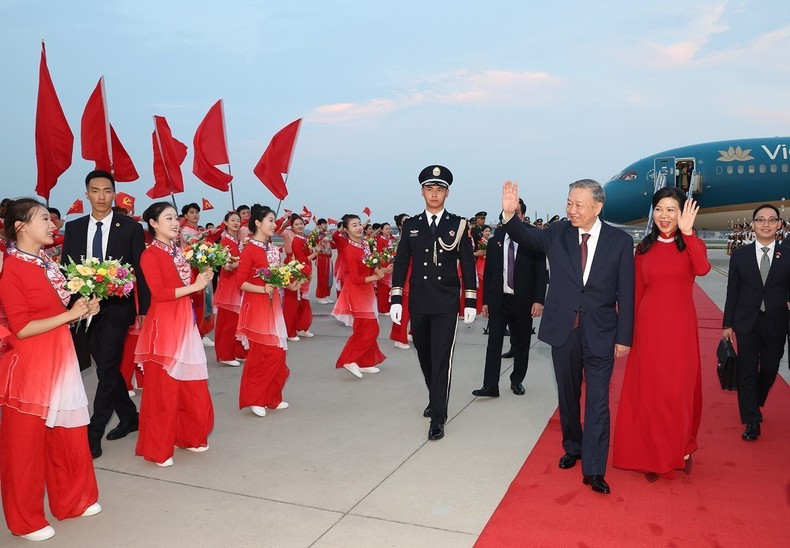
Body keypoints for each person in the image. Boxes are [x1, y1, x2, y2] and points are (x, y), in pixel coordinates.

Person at [500, 179, 634, 495]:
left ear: (597, 207)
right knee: (568, 395)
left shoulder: (619, 241)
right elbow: (525, 236)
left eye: (578, 205)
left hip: (602, 331)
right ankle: (573, 446)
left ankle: (595, 468)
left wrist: (624, 336)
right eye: (568, 203)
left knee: (598, 401)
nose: (570, 210)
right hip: (564, 330)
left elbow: (626, 292)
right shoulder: (558, 233)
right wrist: (509, 215)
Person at [0, 199, 102, 542]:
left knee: (67, 433)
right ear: (21, 227)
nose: (51, 224)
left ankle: (72, 500)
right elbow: (22, 327)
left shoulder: (47, 262)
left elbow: (60, 307)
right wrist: (70, 315)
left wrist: (83, 307)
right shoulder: (13, 268)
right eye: (44, 218)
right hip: (29, 365)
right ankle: (24, 519)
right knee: (24, 446)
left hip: (60, 356)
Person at [613, 187, 710, 480]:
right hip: (648, 331)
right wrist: (626, 336)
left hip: (679, 330)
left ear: (681, 213)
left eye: (671, 210)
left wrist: (689, 233)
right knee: (650, 394)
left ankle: (678, 449)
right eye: (659, 209)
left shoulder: (693, 245)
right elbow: (635, 295)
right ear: (652, 213)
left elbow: (703, 269)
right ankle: (652, 455)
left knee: (676, 393)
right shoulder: (643, 250)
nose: (664, 216)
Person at [62, 170, 151, 459]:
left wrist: (144, 310)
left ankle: (94, 431)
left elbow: (141, 270)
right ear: (86, 193)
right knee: (107, 370)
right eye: (95, 190)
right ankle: (129, 416)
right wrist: (68, 311)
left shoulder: (130, 228)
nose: (101, 196)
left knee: (109, 368)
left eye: (107, 191)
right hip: (84, 310)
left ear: (114, 194)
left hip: (116, 309)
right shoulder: (74, 229)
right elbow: (67, 270)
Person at [391, 165, 478, 441]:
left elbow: (467, 263)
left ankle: (438, 416)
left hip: (446, 302)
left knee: (442, 360)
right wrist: (395, 298)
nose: (434, 194)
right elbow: (402, 261)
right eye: (430, 189)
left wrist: (471, 301)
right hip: (419, 300)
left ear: (447, 193)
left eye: (439, 189)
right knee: (425, 354)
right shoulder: (412, 225)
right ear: (422, 192)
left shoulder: (458, 224)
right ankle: (434, 395)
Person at [134, 202, 215, 467]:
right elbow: (159, 293)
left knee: (193, 384)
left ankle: (190, 436)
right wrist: (196, 286)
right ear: (154, 223)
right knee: (163, 391)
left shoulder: (179, 252)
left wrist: (202, 278)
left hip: (185, 324)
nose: (175, 222)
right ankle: (158, 448)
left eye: (175, 218)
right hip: (165, 326)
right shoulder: (150, 255)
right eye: (168, 218)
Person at [723, 204, 790, 441]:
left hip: (776, 320)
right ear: (753, 225)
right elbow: (733, 290)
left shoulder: (787, 254)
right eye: (760, 220)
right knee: (747, 371)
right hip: (746, 321)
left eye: (772, 220)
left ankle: (756, 401)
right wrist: (727, 324)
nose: (766, 224)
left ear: (779, 225)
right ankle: (751, 420)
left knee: (771, 368)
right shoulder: (740, 255)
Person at [473, 201, 547, 398]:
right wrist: (486, 301)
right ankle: (490, 385)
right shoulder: (495, 240)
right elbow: (490, 273)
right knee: (494, 343)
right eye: (509, 214)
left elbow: (541, 273)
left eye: (517, 213)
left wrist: (539, 300)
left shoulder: (533, 239)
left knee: (522, 343)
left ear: (522, 216)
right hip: (499, 301)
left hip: (524, 302)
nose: (513, 217)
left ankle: (517, 380)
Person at [236, 204, 291, 417]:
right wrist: (263, 288)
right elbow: (240, 282)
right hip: (257, 306)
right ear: (258, 223)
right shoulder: (250, 249)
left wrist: (288, 282)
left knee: (278, 353)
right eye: (270, 220)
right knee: (262, 354)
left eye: (274, 220)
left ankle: (272, 398)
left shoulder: (272, 249)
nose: (274, 224)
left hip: (273, 305)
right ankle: (254, 398)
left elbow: (276, 277)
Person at [332, 214, 389, 378]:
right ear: (347, 230)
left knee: (364, 327)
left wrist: (382, 270)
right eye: (353, 225)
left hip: (367, 290)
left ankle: (364, 362)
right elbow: (355, 278)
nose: (358, 228)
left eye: (359, 224)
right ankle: (349, 359)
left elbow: (370, 266)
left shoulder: (365, 244)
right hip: (357, 291)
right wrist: (375, 278)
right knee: (370, 328)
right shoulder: (349, 250)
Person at [213, 211, 248, 367]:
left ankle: (238, 351)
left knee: (238, 321)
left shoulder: (238, 240)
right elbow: (226, 266)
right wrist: (245, 261)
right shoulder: (225, 241)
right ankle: (225, 354)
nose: (236, 222)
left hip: (239, 284)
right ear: (225, 223)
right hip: (229, 286)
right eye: (232, 220)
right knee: (228, 322)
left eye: (238, 220)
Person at [281, 214, 317, 340]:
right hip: (297, 272)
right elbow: (302, 259)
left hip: (305, 271)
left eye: (301, 223)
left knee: (303, 300)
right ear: (292, 227)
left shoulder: (304, 238)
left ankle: (303, 327)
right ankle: (290, 331)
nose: (299, 226)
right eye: (296, 224)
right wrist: (316, 253)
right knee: (293, 302)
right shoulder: (296, 240)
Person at [313, 218, 334, 304]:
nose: (326, 225)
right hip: (322, 258)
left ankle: (326, 295)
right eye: (323, 224)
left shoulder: (325, 233)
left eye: (326, 224)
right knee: (322, 278)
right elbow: (326, 239)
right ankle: (320, 296)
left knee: (328, 278)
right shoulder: (318, 233)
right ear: (319, 225)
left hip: (328, 258)